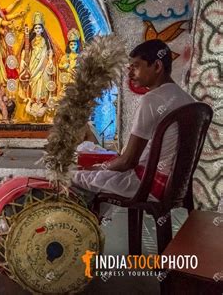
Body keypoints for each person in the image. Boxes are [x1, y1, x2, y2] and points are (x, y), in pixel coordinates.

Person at [71, 39, 195, 216]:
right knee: (95, 168)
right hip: (172, 186)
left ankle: (83, 234)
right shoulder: (187, 99)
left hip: (146, 185)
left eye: (136, 67)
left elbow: (128, 161)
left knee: (72, 177)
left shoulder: (152, 100)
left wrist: (96, 168)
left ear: (157, 66)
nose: (130, 74)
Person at [19, 12, 55, 102]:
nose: (37, 29)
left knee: (43, 80)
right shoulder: (31, 40)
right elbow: (25, 50)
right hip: (33, 64)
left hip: (43, 64)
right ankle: (33, 100)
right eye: (36, 28)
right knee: (33, 81)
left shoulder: (46, 40)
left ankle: (43, 100)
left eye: (39, 28)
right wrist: (22, 60)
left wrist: (50, 60)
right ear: (34, 30)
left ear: (42, 30)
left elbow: (50, 51)